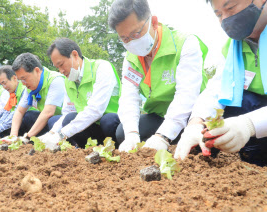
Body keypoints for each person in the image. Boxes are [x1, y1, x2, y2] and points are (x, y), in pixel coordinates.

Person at [107, 0, 208, 152]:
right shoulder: (130, 59)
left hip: (192, 115)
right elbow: (129, 97)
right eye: (125, 39)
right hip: (159, 115)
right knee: (122, 132)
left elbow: (186, 95)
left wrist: (163, 136)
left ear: (153, 22)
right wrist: (131, 134)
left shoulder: (184, 43)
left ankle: (178, 142)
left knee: (202, 140)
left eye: (136, 33)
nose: (132, 42)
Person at [175, 0, 267, 165]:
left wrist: (249, 124)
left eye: (230, 7)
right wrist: (195, 123)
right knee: (232, 104)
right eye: (219, 14)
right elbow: (217, 88)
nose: (226, 19)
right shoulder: (232, 48)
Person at [39, 38, 121, 149]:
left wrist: (61, 134)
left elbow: (95, 110)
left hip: (112, 125)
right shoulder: (68, 82)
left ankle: (119, 149)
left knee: (109, 120)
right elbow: (68, 112)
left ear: (74, 55)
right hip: (92, 127)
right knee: (68, 119)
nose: (61, 71)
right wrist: (52, 133)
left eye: (61, 64)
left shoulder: (101, 68)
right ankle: (87, 150)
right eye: (57, 67)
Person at [1, 53, 64, 143]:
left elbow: (48, 113)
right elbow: (19, 111)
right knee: (28, 116)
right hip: (48, 123)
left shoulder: (55, 80)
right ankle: (37, 142)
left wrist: (27, 137)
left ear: (37, 71)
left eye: (24, 78)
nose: (23, 83)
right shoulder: (30, 88)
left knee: (53, 120)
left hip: (62, 122)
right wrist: (13, 136)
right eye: (20, 80)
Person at [0, 65, 35, 137]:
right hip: (20, 120)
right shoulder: (11, 93)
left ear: (14, 78)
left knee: (24, 116)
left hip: (32, 119)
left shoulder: (23, 90)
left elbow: (16, 113)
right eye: (1, 84)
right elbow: (7, 112)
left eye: (5, 83)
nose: (4, 87)